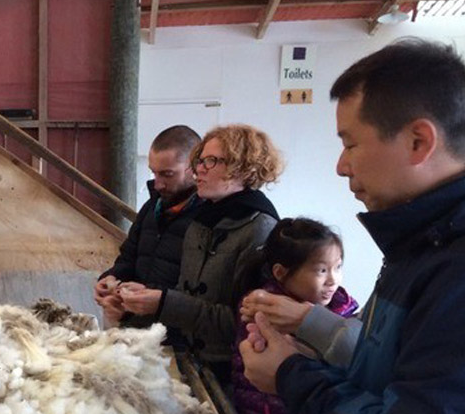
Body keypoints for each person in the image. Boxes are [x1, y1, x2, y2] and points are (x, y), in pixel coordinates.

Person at [240, 38, 465, 412]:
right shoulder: (421, 243)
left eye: (351, 144)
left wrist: (291, 375)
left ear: (418, 141)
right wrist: (306, 343)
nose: (342, 166)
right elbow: (386, 374)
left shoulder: (454, 264)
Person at [120, 124, 282, 385]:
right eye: (200, 160)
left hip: (231, 373)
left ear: (243, 167)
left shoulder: (260, 229)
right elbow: (187, 291)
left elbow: (246, 322)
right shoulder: (203, 220)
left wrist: (163, 303)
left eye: (212, 161)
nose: (199, 169)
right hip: (190, 360)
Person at [231, 218, 358, 414]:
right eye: (321, 270)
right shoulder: (261, 311)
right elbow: (259, 385)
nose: (333, 280)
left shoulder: (346, 312)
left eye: (338, 267)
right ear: (281, 273)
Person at [94, 125, 203, 338]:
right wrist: (111, 279)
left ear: (194, 167)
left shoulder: (207, 218)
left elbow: (199, 290)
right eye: (154, 172)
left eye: (168, 174)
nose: (158, 183)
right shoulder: (152, 207)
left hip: (178, 337)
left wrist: (156, 298)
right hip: (138, 329)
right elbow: (129, 257)